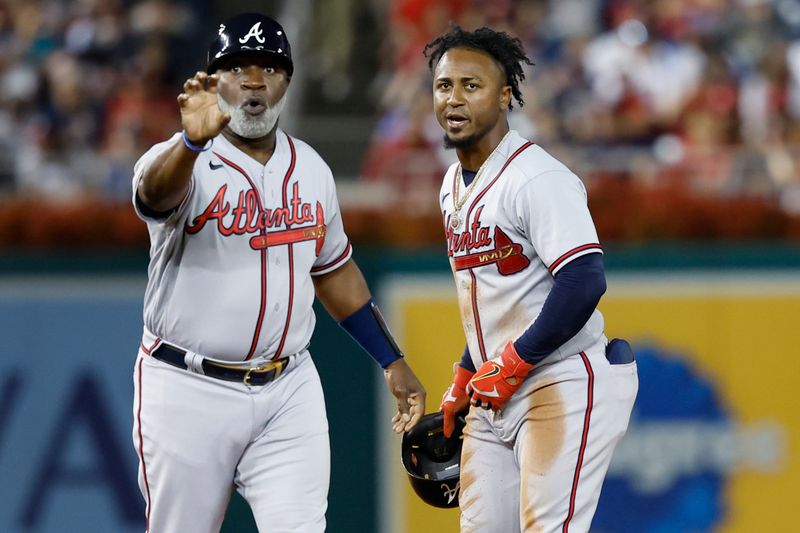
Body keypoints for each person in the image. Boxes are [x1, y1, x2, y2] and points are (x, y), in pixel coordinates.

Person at [130, 13, 426, 533]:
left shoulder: (311, 168)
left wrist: (390, 359)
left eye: (269, 67)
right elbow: (154, 196)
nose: (252, 79)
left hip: (288, 388)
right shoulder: (180, 159)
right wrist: (190, 145)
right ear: (212, 78)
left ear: (287, 81)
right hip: (186, 388)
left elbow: (334, 271)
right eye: (237, 66)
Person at [426, 26, 638, 531]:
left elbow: (584, 279)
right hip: (495, 384)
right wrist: (464, 372)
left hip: (561, 376)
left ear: (505, 96)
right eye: (443, 86)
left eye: (471, 86)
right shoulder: (452, 182)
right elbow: (492, 296)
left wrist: (515, 362)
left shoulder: (536, 178)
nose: (454, 98)